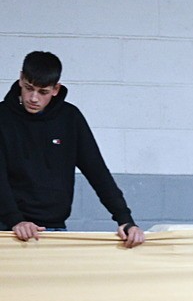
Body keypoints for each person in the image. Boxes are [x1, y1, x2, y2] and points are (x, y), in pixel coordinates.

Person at [0, 51, 143, 247]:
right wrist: (15, 220)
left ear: (56, 89)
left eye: (43, 92)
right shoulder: (3, 117)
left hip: (54, 229)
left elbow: (97, 172)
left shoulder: (70, 118)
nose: (33, 98)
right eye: (28, 88)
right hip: (8, 229)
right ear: (20, 79)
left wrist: (125, 220)